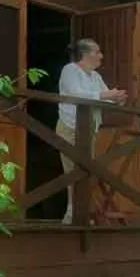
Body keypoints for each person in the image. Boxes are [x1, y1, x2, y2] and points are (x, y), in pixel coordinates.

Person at [56, 38, 127, 224]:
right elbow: (75, 93)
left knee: (85, 170)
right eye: (97, 52)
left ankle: (79, 213)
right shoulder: (70, 70)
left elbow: (105, 96)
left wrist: (117, 98)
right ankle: (72, 214)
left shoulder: (95, 76)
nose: (101, 56)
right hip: (70, 126)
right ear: (85, 54)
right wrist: (106, 95)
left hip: (89, 129)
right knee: (72, 170)